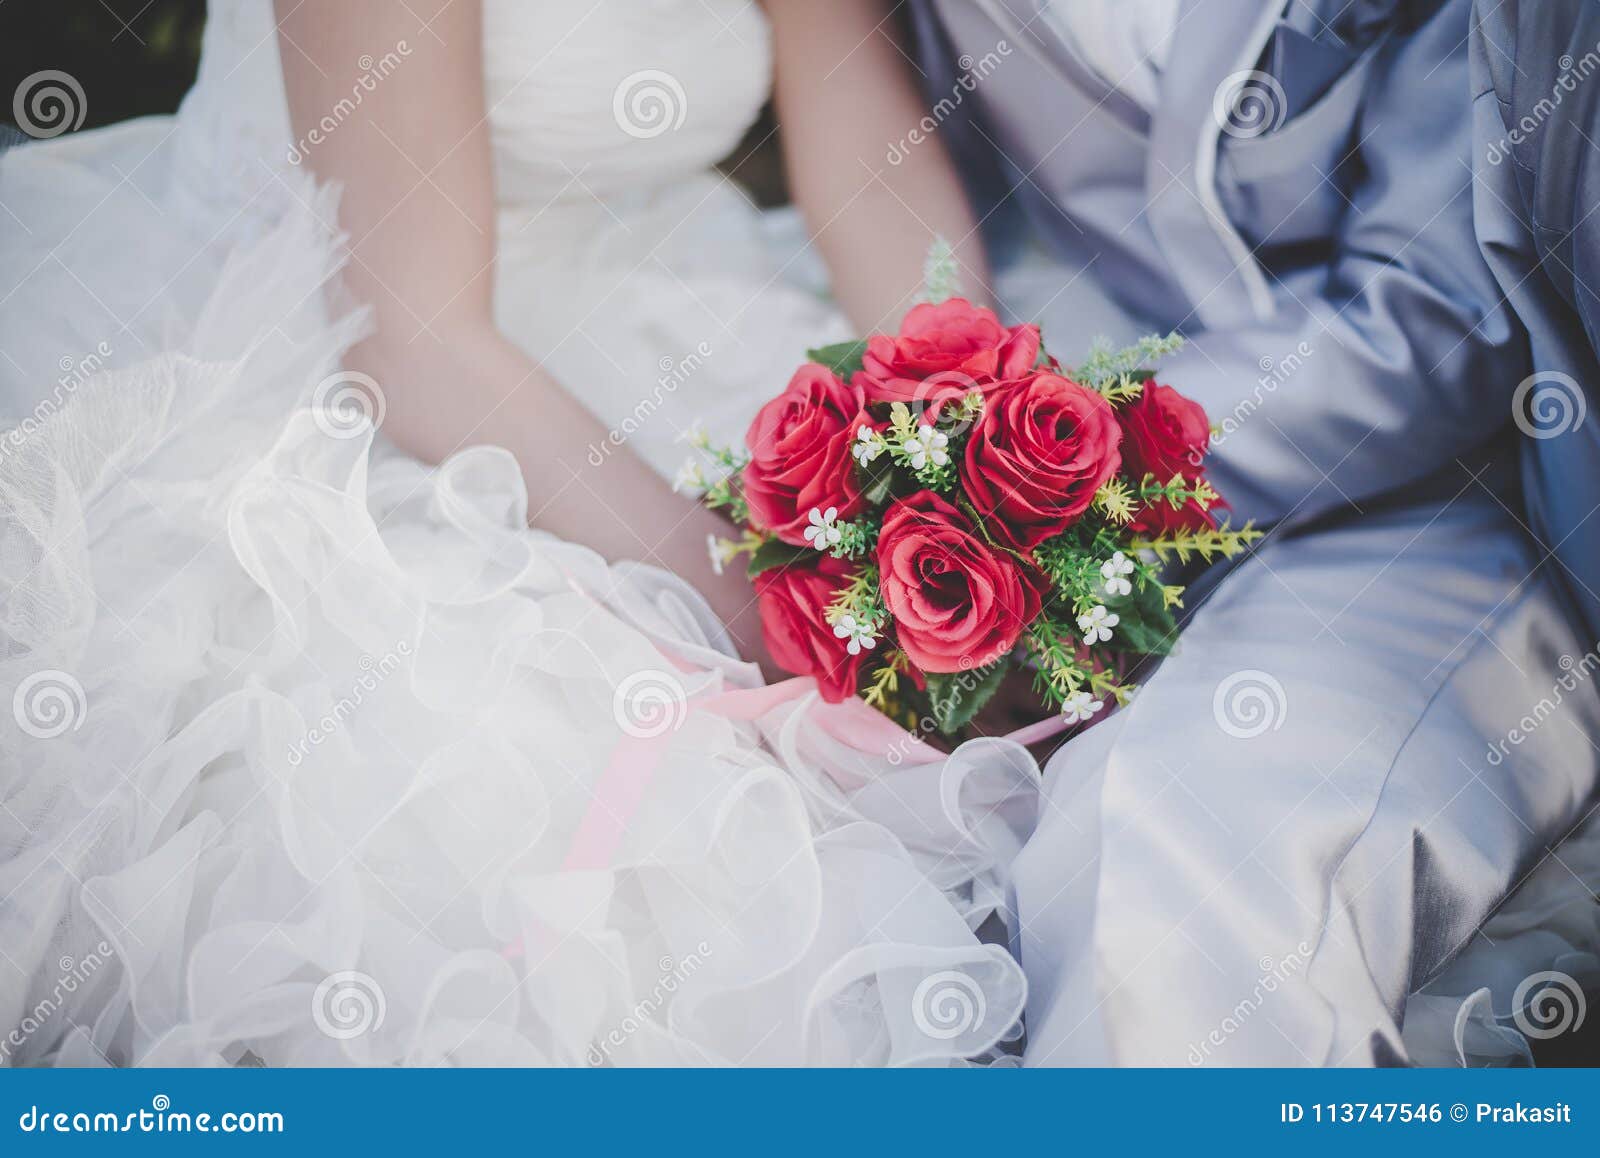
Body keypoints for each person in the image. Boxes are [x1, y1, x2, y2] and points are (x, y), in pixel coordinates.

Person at [0, 0, 1033, 1066]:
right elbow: (417, 347)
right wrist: (793, 623)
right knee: (600, 812)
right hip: (348, 343)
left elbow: (856, 112)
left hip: (647, 291)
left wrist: (971, 447)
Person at [903, 0, 1600, 1063]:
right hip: (1070, 344)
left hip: (1452, 491)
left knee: (1193, 863)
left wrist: (1053, 479)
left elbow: (1446, 314)